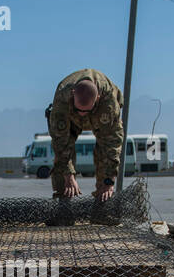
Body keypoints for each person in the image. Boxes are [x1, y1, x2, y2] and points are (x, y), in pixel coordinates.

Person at [45, 69, 124, 203]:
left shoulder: (108, 103)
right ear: (73, 94)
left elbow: (112, 145)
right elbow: (60, 142)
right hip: (70, 118)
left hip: (100, 116)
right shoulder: (63, 97)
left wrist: (109, 181)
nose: (82, 114)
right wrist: (68, 175)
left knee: (103, 155)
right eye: (79, 110)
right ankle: (63, 205)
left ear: (97, 98)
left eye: (85, 110)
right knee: (61, 159)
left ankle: (103, 205)